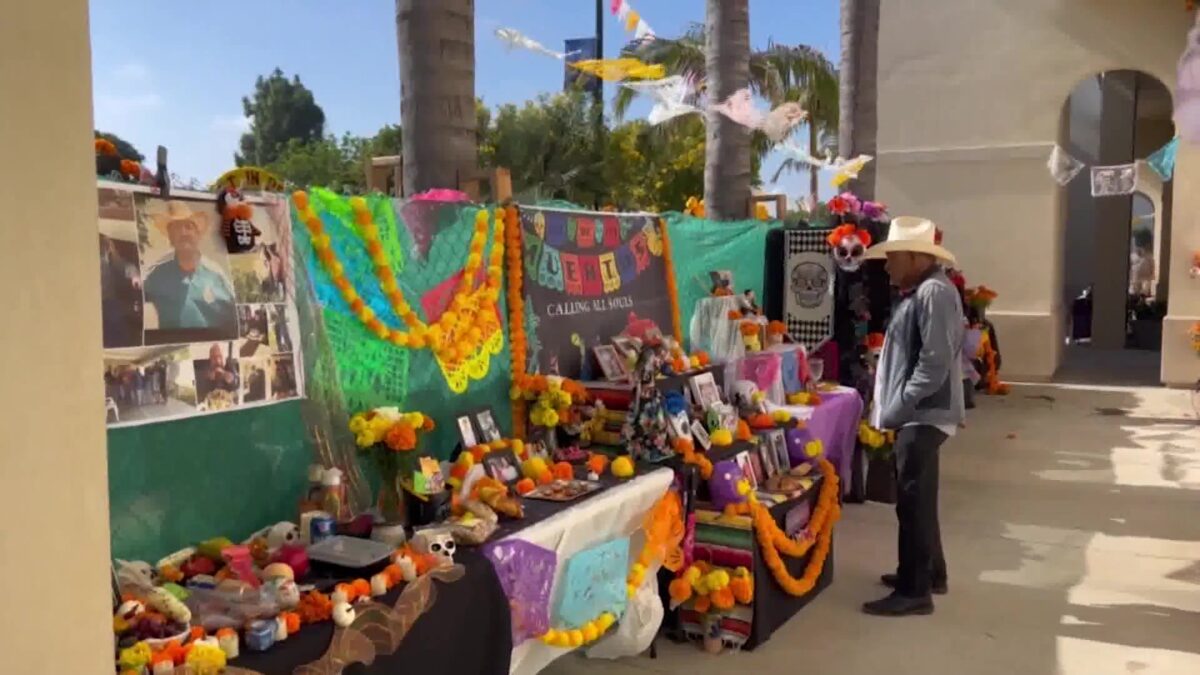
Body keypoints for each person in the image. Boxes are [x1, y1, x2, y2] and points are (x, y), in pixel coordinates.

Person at [860, 216, 965, 617]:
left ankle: (914, 589)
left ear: (917, 258)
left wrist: (899, 406)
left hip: (922, 414)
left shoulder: (933, 292)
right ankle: (929, 573)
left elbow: (933, 363)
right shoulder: (927, 289)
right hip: (921, 413)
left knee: (912, 501)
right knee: (920, 499)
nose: (887, 265)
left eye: (893, 257)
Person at [143, 200, 236, 331]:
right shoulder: (155, 276)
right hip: (173, 349)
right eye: (177, 227)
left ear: (198, 234)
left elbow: (234, 319)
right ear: (170, 236)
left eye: (188, 227)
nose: (183, 233)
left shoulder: (216, 275)